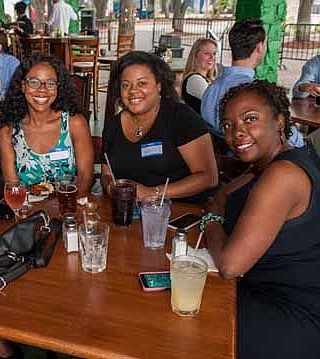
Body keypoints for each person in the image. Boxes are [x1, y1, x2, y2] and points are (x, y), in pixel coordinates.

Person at [204, 80, 320, 358]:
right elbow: (222, 194)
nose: (237, 133)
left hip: (287, 314)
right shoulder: (272, 162)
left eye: (250, 119)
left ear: (279, 121)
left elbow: (231, 265)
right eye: (228, 125)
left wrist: (209, 221)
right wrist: (217, 203)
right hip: (262, 291)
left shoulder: (282, 176)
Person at [101, 51, 218, 202]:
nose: (133, 91)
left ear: (158, 86)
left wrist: (153, 193)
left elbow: (209, 177)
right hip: (131, 214)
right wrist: (111, 187)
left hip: (180, 212)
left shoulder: (181, 118)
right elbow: (106, 173)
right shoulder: (113, 127)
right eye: (126, 85)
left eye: (142, 83)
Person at [201, 18, 304, 148]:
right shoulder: (257, 94)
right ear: (260, 47)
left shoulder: (210, 89)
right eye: (266, 43)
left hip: (224, 161)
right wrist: (303, 144)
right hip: (259, 163)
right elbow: (290, 137)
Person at [0, 55, 93, 195]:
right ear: (23, 86)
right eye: (34, 82)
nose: (42, 89)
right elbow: (13, 187)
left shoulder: (74, 123)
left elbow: (85, 179)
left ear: (58, 87)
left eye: (50, 83)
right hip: (29, 211)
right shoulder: (8, 132)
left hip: (68, 207)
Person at [181, 38, 217, 114]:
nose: (212, 57)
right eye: (207, 53)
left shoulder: (208, 79)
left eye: (214, 53)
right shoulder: (195, 79)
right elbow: (216, 104)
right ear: (195, 55)